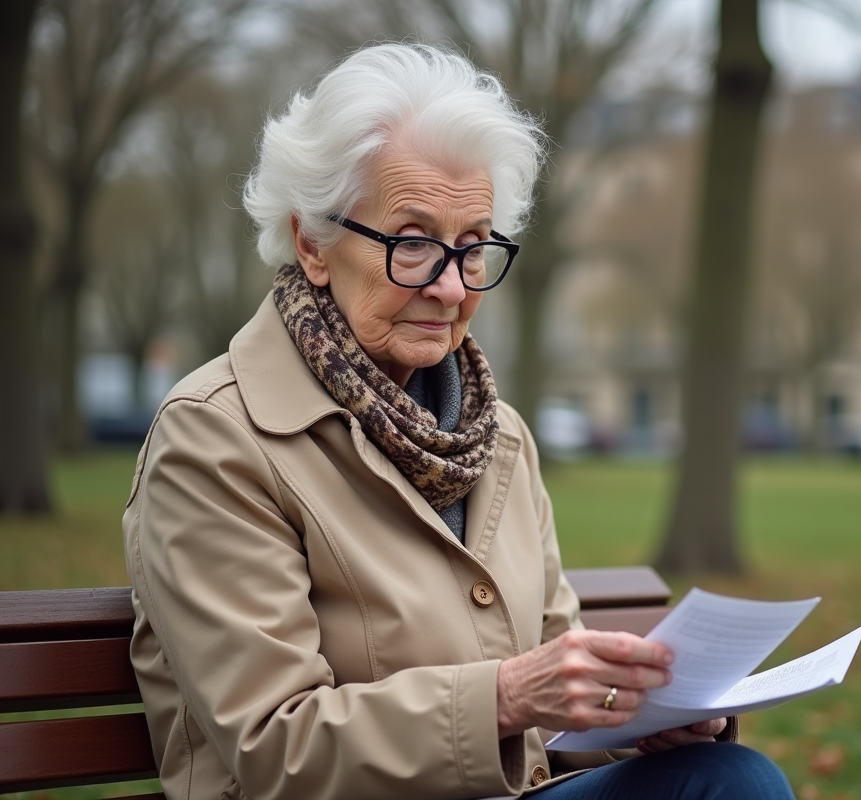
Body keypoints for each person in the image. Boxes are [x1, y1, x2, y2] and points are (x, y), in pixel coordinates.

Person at [123, 43, 795, 800]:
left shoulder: (498, 434)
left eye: (472, 248)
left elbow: (550, 714)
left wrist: (635, 722)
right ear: (312, 241)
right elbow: (273, 744)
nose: (449, 287)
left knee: (724, 776)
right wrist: (506, 696)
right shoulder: (215, 437)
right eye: (412, 244)